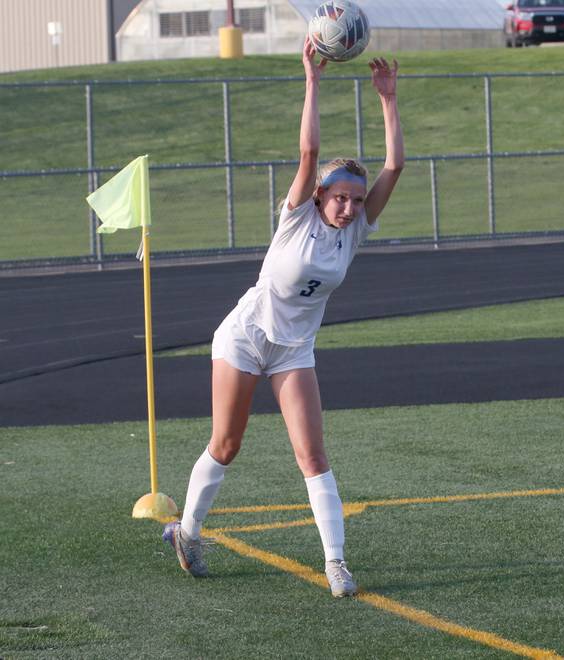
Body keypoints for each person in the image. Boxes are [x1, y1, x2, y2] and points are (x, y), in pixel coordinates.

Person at [162, 37, 404, 598]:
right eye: (339, 197)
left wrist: (388, 101)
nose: (349, 206)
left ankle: (337, 564)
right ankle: (189, 534)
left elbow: (395, 164)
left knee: (313, 454)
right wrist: (313, 80)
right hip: (245, 336)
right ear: (320, 196)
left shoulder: (357, 231)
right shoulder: (297, 217)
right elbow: (309, 155)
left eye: (356, 199)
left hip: (295, 348)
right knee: (227, 444)